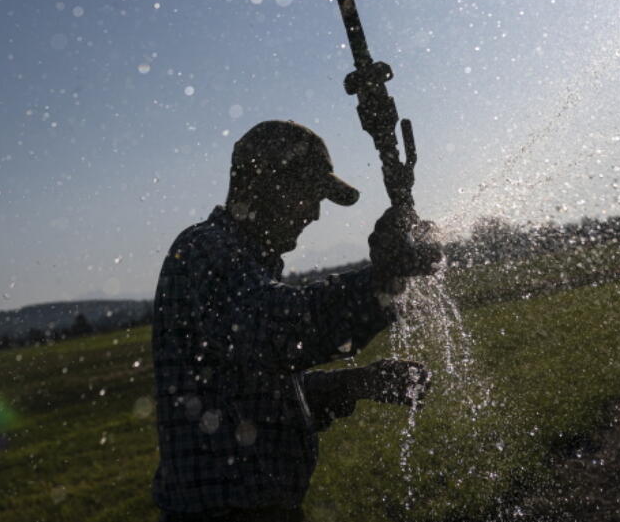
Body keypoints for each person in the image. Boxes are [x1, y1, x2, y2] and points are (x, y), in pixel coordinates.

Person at [151, 120, 441, 521]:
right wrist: (382, 280)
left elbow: (250, 389)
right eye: (309, 194)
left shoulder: (240, 261)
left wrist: (356, 382)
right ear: (263, 184)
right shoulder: (206, 250)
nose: (316, 213)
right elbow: (282, 333)